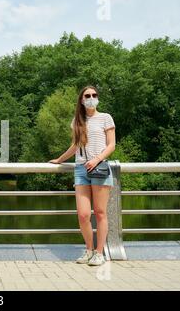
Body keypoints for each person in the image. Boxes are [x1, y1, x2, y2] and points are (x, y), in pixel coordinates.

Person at [49, 86, 116, 266]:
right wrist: (60, 159)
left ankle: (99, 253)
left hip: (99, 167)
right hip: (81, 170)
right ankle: (89, 250)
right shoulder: (77, 121)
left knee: (100, 213)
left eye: (94, 95)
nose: (91, 98)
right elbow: (75, 146)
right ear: (81, 100)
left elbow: (111, 145)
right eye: (87, 95)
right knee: (83, 215)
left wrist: (96, 159)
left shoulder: (105, 118)